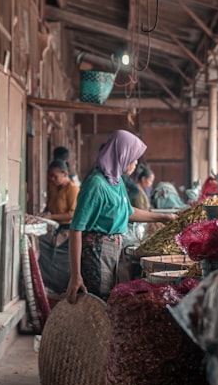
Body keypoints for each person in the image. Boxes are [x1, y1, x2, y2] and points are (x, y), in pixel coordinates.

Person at [65, 130, 175, 303]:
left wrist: (163, 218)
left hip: (112, 251)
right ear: (121, 155)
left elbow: (128, 211)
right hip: (96, 253)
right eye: (133, 158)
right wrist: (75, 275)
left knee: (110, 299)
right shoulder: (96, 184)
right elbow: (76, 228)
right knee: (98, 302)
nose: (136, 163)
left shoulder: (117, 181)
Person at [43, 159, 79, 224]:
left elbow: (72, 214)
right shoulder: (53, 187)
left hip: (67, 227)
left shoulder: (73, 189)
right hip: (53, 225)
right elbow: (48, 207)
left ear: (65, 174)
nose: (52, 179)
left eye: (55, 176)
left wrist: (52, 217)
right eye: (51, 176)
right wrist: (43, 214)